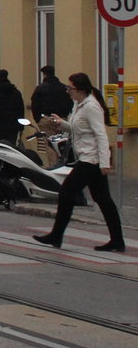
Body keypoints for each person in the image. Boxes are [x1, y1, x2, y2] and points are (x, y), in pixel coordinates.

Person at [33, 72, 125, 253]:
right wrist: (62, 124)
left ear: (81, 89)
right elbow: (78, 129)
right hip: (86, 158)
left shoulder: (91, 106)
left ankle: (56, 235)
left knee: (66, 193)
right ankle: (117, 240)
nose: (68, 91)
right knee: (103, 199)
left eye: (71, 88)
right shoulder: (78, 105)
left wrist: (105, 163)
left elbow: (100, 135)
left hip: (91, 160)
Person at [30, 65, 71, 167]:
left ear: (44, 74)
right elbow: (70, 103)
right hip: (62, 119)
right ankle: (63, 164)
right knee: (62, 144)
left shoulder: (40, 88)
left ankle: (53, 167)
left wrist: (38, 119)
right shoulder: (63, 88)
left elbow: (34, 104)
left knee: (50, 145)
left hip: (46, 119)